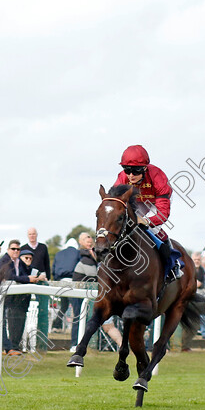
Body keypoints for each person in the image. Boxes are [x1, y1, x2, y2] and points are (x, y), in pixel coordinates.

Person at [113, 144, 182, 283]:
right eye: (127, 170)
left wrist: (147, 221)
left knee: (153, 229)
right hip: (136, 201)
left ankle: (173, 264)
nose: (131, 175)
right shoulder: (122, 178)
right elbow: (115, 203)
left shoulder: (158, 176)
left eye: (135, 171)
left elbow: (163, 214)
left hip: (155, 201)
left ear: (144, 168)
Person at [70, 233, 122, 351]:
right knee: (79, 319)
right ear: (80, 243)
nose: (89, 240)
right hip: (82, 296)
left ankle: (123, 346)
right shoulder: (85, 259)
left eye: (89, 238)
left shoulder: (99, 256)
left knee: (108, 325)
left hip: (98, 295)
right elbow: (95, 277)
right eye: (85, 239)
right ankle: (75, 344)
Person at [0, 241, 42, 355]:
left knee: (14, 322)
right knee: (2, 323)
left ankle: (13, 347)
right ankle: (8, 348)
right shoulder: (5, 260)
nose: (16, 251)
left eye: (18, 249)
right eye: (13, 249)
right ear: (8, 250)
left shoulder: (18, 262)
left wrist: (39, 276)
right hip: (3, 295)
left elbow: (25, 273)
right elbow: (9, 276)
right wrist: (28, 279)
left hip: (14, 298)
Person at [51, 237, 80, 332]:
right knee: (76, 308)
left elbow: (54, 270)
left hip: (60, 282)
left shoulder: (59, 254)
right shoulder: (77, 253)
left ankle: (56, 325)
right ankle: (76, 330)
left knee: (64, 306)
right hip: (72, 282)